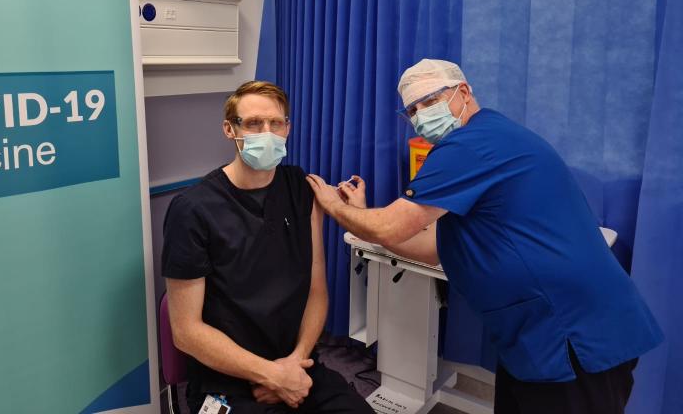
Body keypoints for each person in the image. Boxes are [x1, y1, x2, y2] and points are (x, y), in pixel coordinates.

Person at [306, 59, 663, 414]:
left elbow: (391, 227)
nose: (420, 116)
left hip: (571, 336)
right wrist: (362, 214)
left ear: (463, 92)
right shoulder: (489, 138)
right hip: (533, 337)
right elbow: (429, 248)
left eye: (429, 101)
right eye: (412, 110)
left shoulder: (471, 144)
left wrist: (333, 206)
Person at [162, 81, 374, 414]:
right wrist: (271, 375)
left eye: (276, 123)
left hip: (299, 365)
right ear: (230, 130)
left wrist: (295, 364)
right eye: (253, 123)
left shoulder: (298, 189)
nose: (267, 132)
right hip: (228, 381)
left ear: (288, 128)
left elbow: (317, 290)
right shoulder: (192, 210)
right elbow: (186, 333)